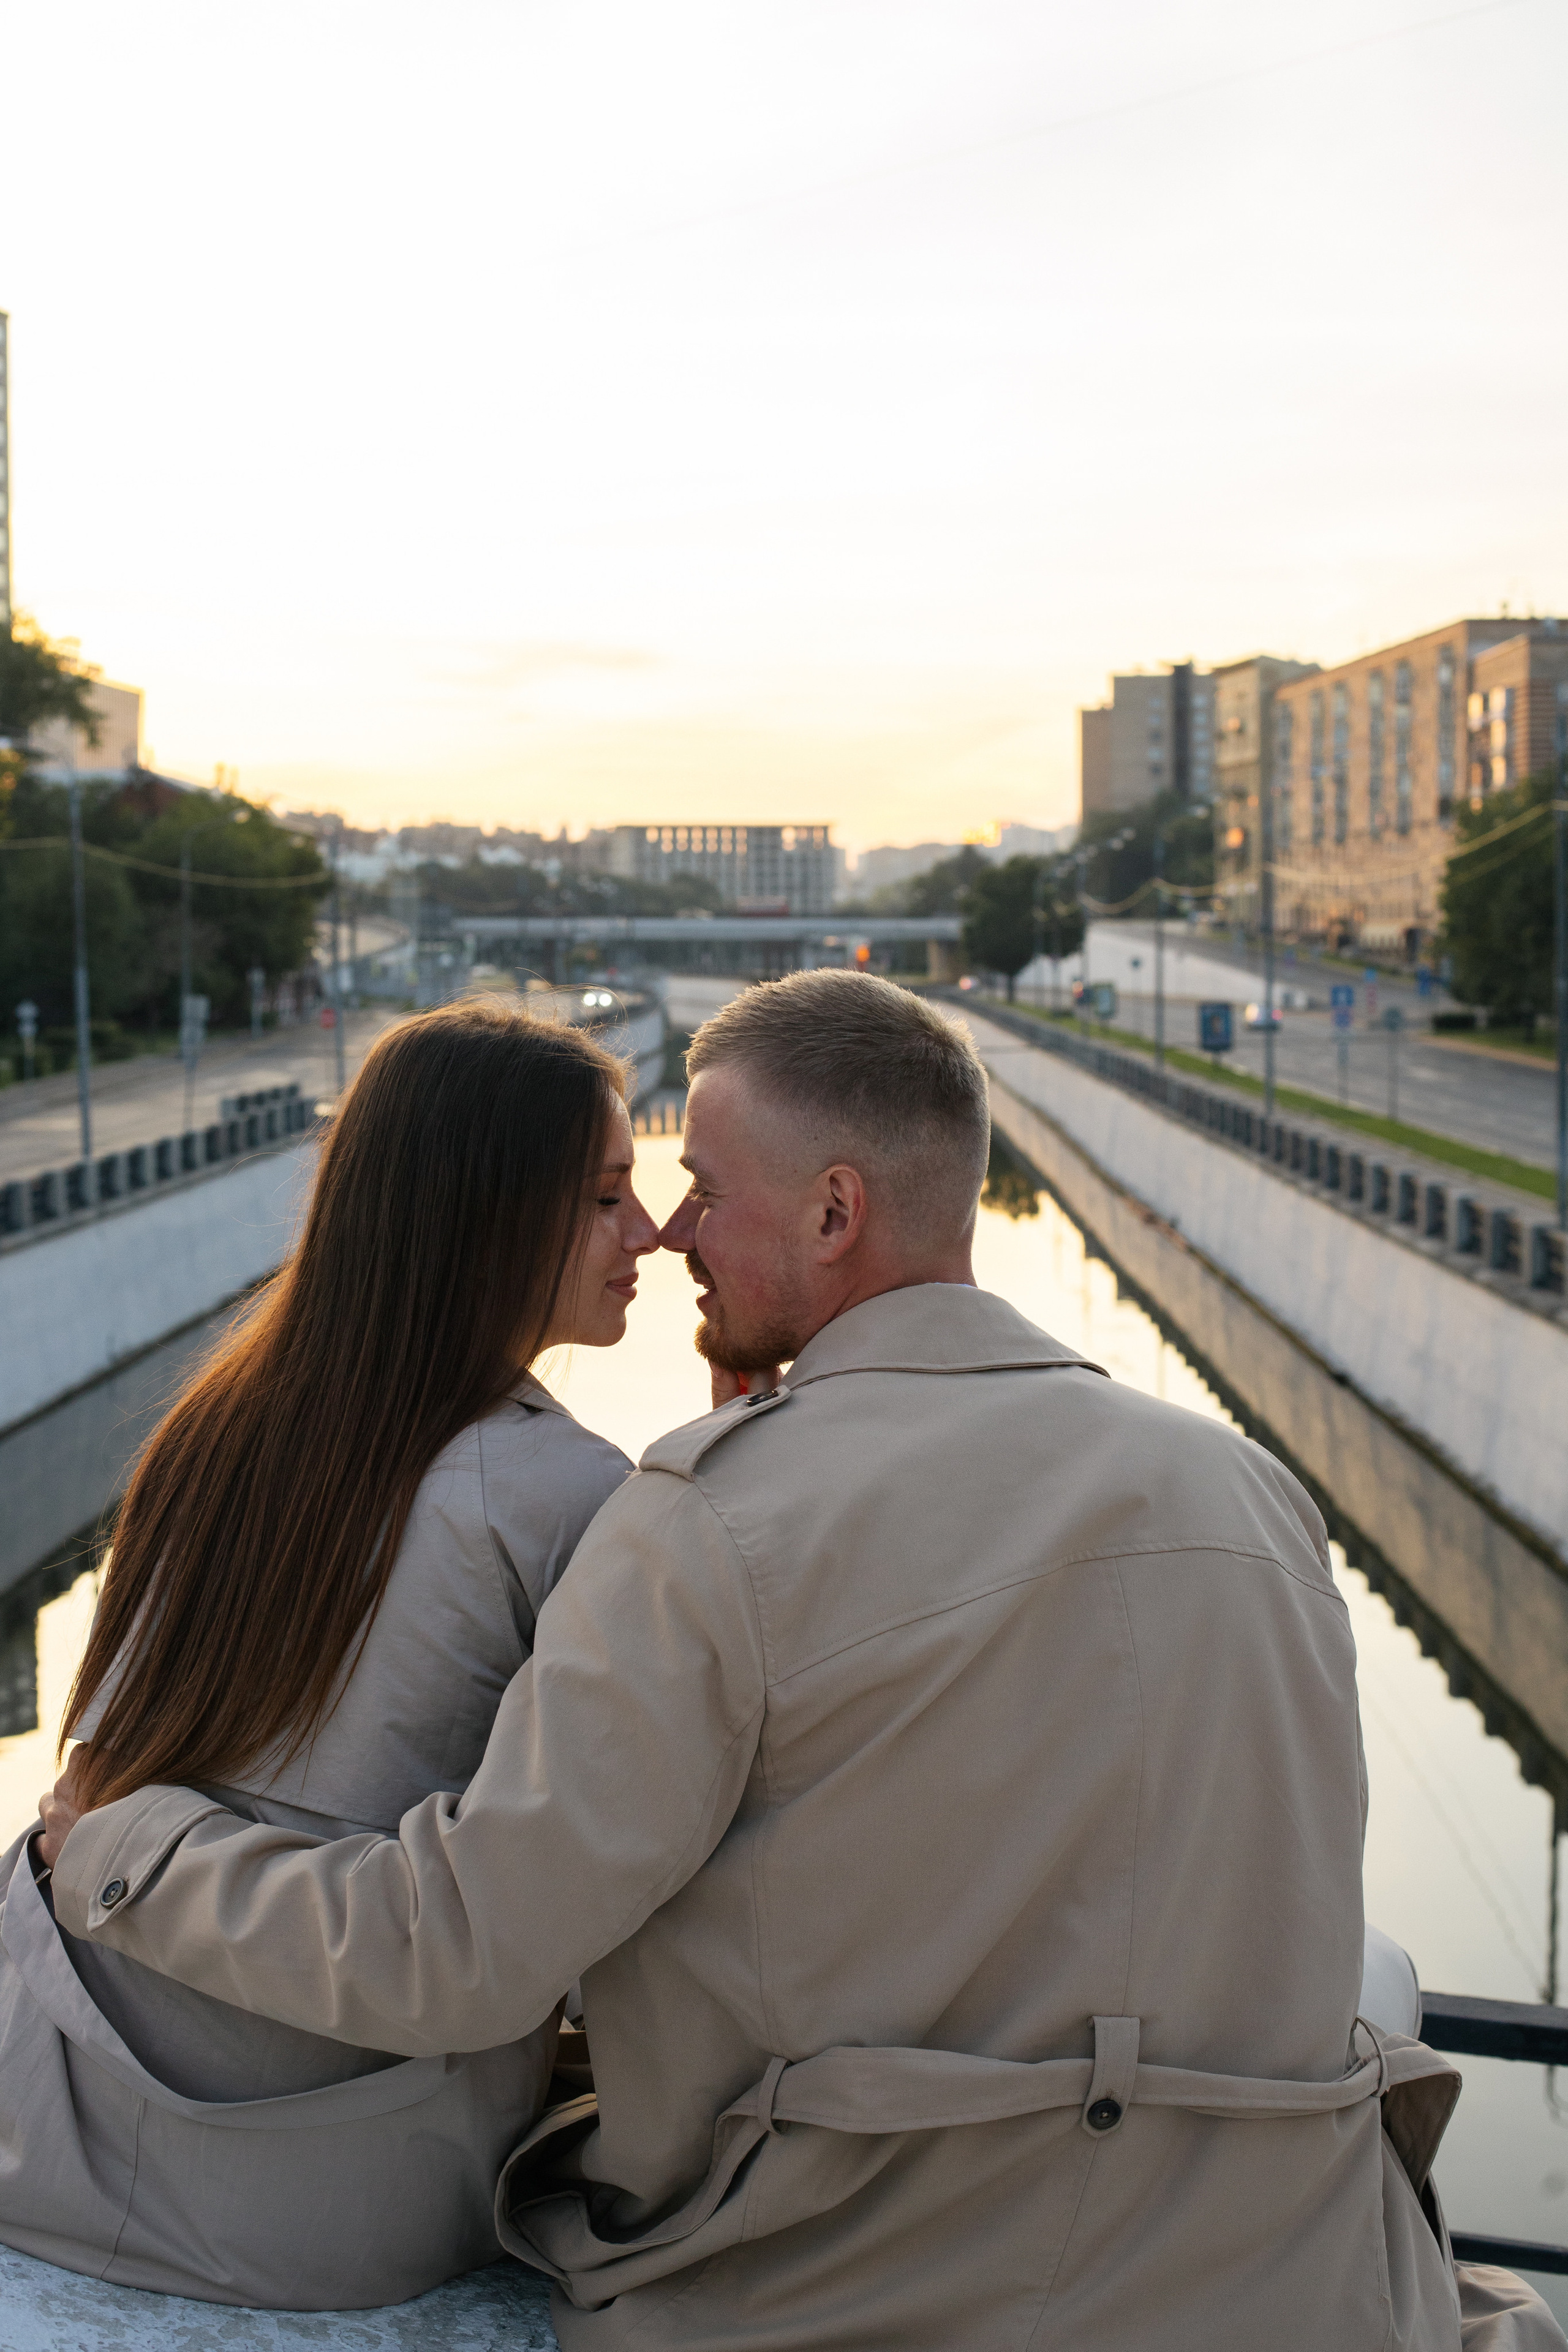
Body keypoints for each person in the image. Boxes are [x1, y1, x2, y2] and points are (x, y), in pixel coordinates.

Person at [40, 973, 1564, 2348]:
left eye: (700, 1191)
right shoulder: (1246, 1487)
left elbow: (470, 1947)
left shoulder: (697, 1519)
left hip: (845, 2284)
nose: (671, 1233)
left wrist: (110, 1847)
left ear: (834, 1214)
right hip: (1284, 2273)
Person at [2, 994, 658, 2310]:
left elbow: (97, 1794)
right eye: (603, 1199)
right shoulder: (565, 1496)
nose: (646, 1231)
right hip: (333, 2203)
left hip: (55, 2110)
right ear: (487, 1217)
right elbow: (596, 1904)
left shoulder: (217, 1424)